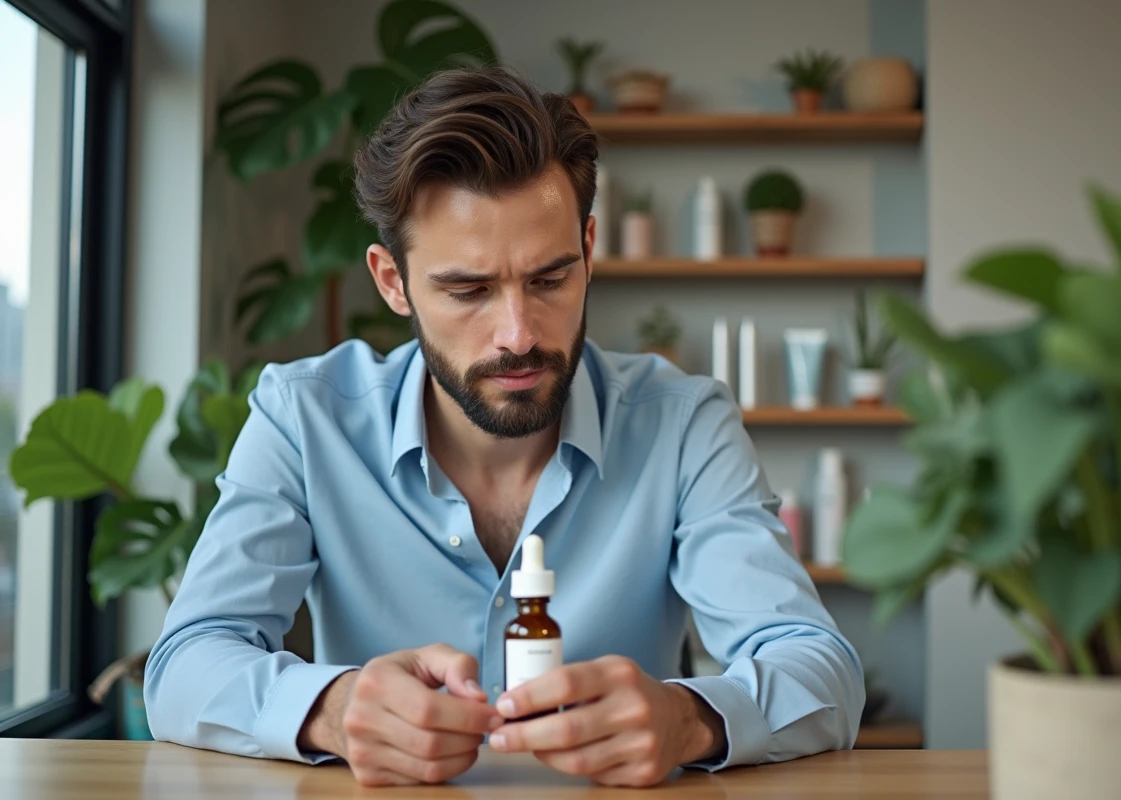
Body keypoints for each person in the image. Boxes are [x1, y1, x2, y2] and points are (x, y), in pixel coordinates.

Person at [144, 66, 864, 788]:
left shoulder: (684, 425)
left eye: (550, 280)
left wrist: (689, 719)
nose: (518, 334)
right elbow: (184, 665)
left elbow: (819, 667)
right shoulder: (303, 419)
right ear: (393, 281)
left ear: (589, 251)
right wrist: (332, 711)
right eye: (468, 290)